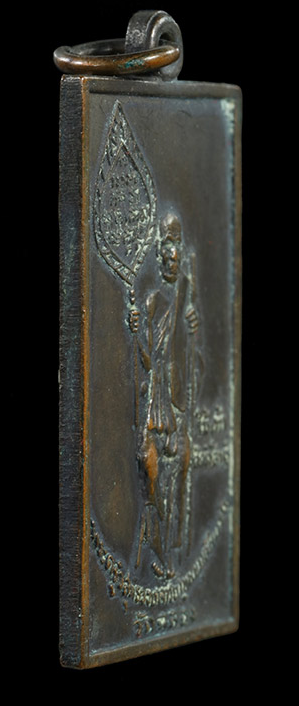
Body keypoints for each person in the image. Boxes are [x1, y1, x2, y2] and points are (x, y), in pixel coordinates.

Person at [131, 214, 199, 578]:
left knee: (182, 463)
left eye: (177, 259)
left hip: (177, 401)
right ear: (160, 259)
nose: (172, 264)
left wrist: (191, 330)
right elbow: (146, 359)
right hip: (156, 397)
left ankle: (173, 553)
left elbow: (193, 360)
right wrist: (136, 330)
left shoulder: (185, 299)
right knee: (150, 466)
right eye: (167, 259)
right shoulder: (154, 300)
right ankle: (155, 542)